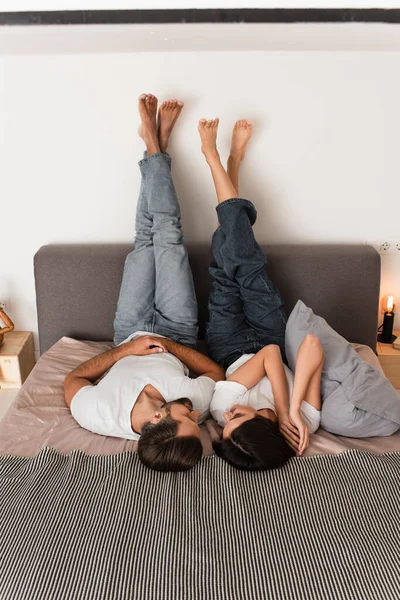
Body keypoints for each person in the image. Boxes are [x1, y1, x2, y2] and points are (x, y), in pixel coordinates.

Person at [64, 94, 224, 472]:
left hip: (129, 330)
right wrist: (169, 345)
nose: (197, 414)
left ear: (156, 421)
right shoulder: (191, 409)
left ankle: (155, 145)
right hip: (179, 334)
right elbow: (216, 374)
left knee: (145, 239)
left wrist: (126, 351)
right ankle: (155, 145)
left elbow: (74, 379)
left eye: (187, 419)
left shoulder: (100, 415)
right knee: (167, 235)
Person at [198, 117, 324, 470]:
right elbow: (311, 347)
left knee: (228, 266)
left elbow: (269, 357)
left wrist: (283, 408)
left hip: (228, 341)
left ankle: (221, 161)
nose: (228, 416)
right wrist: (292, 410)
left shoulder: (221, 410)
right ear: (264, 429)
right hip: (271, 332)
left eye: (226, 425)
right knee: (246, 263)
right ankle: (222, 161)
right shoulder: (304, 424)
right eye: (240, 419)